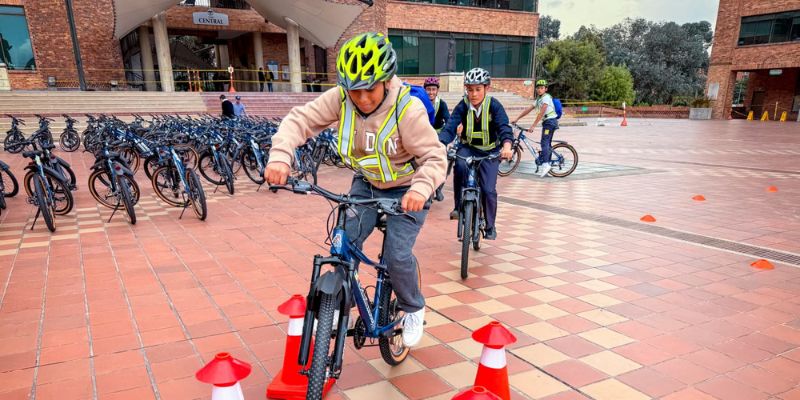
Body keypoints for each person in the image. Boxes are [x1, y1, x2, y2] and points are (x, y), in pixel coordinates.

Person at [264, 32, 446, 348]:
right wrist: (281, 156)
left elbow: (434, 157)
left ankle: (413, 307)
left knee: (396, 255)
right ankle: (340, 304)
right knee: (343, 241)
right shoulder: (340, 98)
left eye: (370, 89)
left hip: (407, 191)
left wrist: (420, 189)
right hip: (366, 185)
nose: (361, 99)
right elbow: (299, 120)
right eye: (354, 90)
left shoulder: (408, 109)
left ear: (386, 81)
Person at [438, 67, 513, 240]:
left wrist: (507, 146)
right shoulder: (463, 105)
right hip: (468, 148)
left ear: (487, 88)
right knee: (459, 167)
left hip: (490, 151)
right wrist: (441, 143)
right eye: (470, 89)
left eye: (478, 89)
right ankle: (458, 207)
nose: (473, 94)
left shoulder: (494, 106)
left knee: (488, 190)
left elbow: (504, 127)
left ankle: (490, 226)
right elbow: (450, 126)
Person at [511, 79, 558, 177]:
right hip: (547, 122)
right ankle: (547, 163)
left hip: (550, 122)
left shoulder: (546, 97)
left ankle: (546, 164)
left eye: (542, 88)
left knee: (544, 142)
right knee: (546, 143)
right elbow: (528, 110)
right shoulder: (539, 100)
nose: (539, 90)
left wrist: (533, 126)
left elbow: (542, 112)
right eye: (538, 88)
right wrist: (517, 118)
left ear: (546, 89)